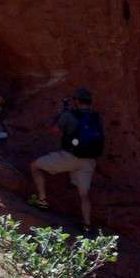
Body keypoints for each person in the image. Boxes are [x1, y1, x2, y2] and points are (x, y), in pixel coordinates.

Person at [29, 87, 105, 232]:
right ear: (89, 101)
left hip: (69, 157)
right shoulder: (96, 117)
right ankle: (87, 225)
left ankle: (42, 200)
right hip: (89, 161)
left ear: (76, 101)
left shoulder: (69, 115)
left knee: (34, 165)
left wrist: (63, 113)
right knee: (84, 195)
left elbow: (54, 130)